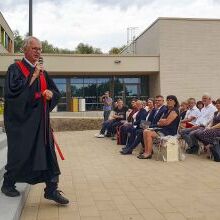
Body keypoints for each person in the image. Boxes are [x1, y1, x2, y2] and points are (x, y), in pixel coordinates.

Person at [1, 36, 69, 205]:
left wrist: (50, 94)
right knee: (20, 154)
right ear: (24, 49)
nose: (38, 52)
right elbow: (13, 96)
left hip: (41, 124)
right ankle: (8, 183)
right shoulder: (15, 69)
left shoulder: (43, 73)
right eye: (35, 49)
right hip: (22, 124)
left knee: (49, 154)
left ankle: (51, 190)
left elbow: (55, 92)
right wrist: (33, 76)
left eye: (40, 49)